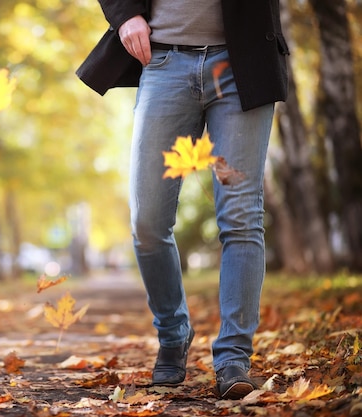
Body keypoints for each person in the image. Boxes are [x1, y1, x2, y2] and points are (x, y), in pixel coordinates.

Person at [77, 0, 289, 400]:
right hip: (164, 63)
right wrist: (124, 16)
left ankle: (233, 358)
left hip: (242, 62)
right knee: (147, 224)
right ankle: (173, 333)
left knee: (241, 216)